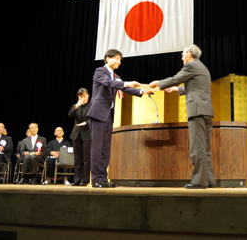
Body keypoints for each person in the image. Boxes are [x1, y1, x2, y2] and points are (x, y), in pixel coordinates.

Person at [149, 45, 216, 189]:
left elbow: (176, 78)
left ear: (190, 54)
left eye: (183, 53)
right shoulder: (202, 67)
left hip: (196, 111)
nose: (181, 55)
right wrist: (177, 89)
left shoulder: (190, 66)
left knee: (197, 147)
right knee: (205, 148)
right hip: (206, 111)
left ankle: (198, 182)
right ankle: (207, 181)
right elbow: (197, 86)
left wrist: (158, 83)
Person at [87, 49, 149, 188]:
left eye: (120, 60)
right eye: (117, 59)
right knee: (97, 149)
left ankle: (103, 179)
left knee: (105, 149)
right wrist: (126, 83)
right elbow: (109, 83)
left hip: (108, 116)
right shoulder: (100, 71)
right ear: (108, 58)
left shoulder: (116, 76)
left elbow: (124, 88)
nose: (119, 62)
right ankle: (96, 179)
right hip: (97, 114)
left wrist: (142, 91)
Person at [68, 88, 91, 186]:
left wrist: (86, 123)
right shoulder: (76, 106)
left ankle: (84, 180)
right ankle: (76, 179)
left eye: (84, 96)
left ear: (88, 96)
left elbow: (94, 119)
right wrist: (77, 105)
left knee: (86, 159)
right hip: (76, 134)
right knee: (77, 159)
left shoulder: (92, 106)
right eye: (81, 97)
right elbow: (70, 114)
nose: (83, 99)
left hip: (87, 134)